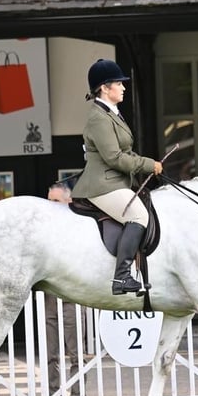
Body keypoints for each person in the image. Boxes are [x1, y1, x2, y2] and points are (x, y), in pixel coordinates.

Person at [71, 58, 163, 295]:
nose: (123, 87)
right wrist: (148, 164)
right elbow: (114, 157)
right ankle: (122, 277)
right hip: (102, 185)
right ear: (104, 87)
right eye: (119, 84)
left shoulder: (112, 113)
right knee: (139, 216)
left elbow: (126, 151)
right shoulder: (98, 118)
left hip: (116, 181)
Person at [46, 183, 89, 396]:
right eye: (48, 200)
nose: (50, 206)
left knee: (76, 353)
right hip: (50, 297)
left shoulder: (79, 228)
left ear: (68, 202)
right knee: (50, 353)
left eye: (55, 201)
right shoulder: (43, 231)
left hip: (73, 296)